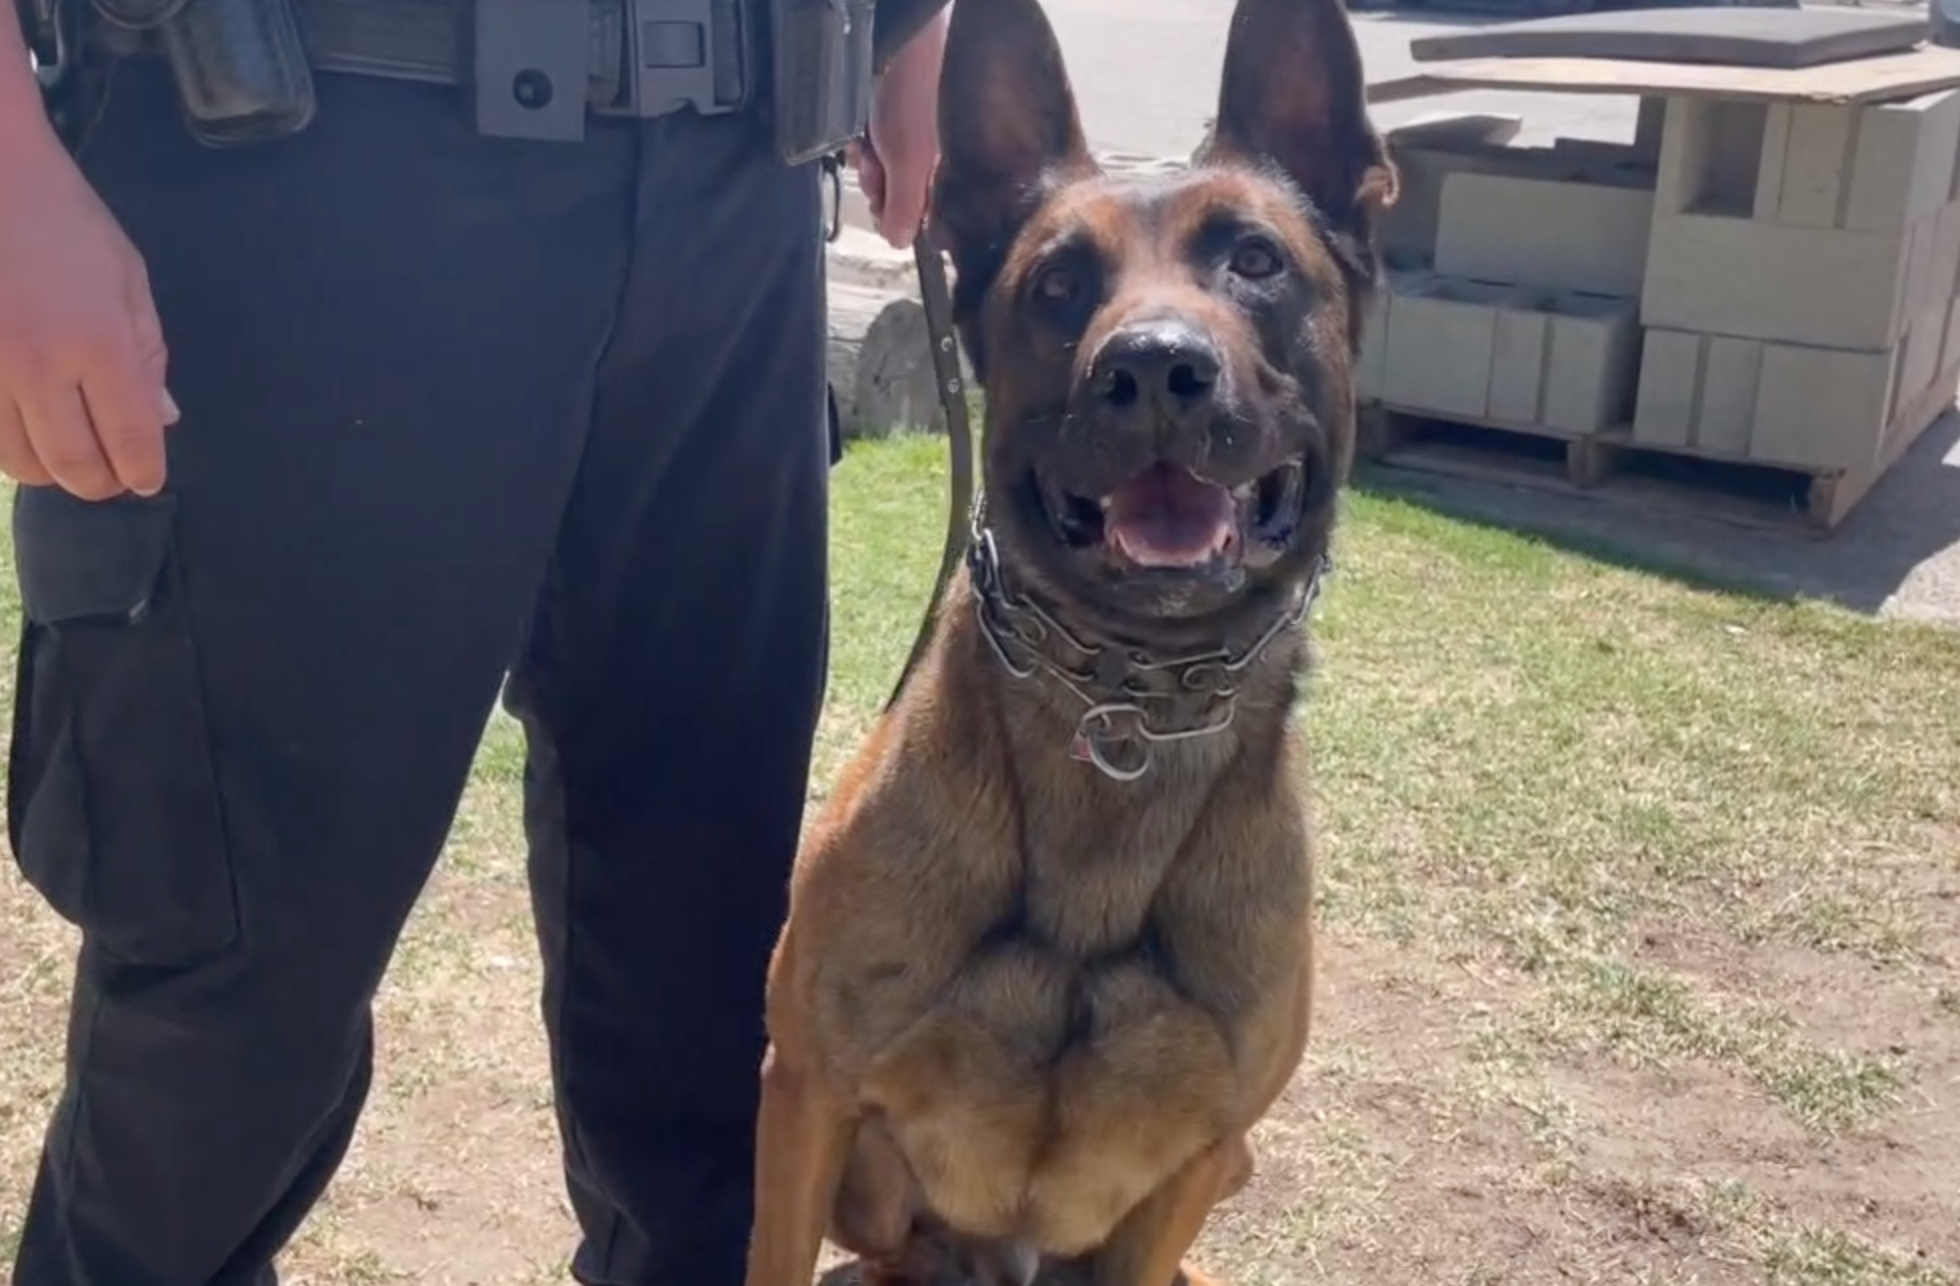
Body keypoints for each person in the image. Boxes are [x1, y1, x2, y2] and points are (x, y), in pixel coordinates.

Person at [0, 0, 949, 1281]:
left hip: (739, 174)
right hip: (302, 159)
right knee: (229, 1022)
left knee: (705, 1001)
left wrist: (922, 27)